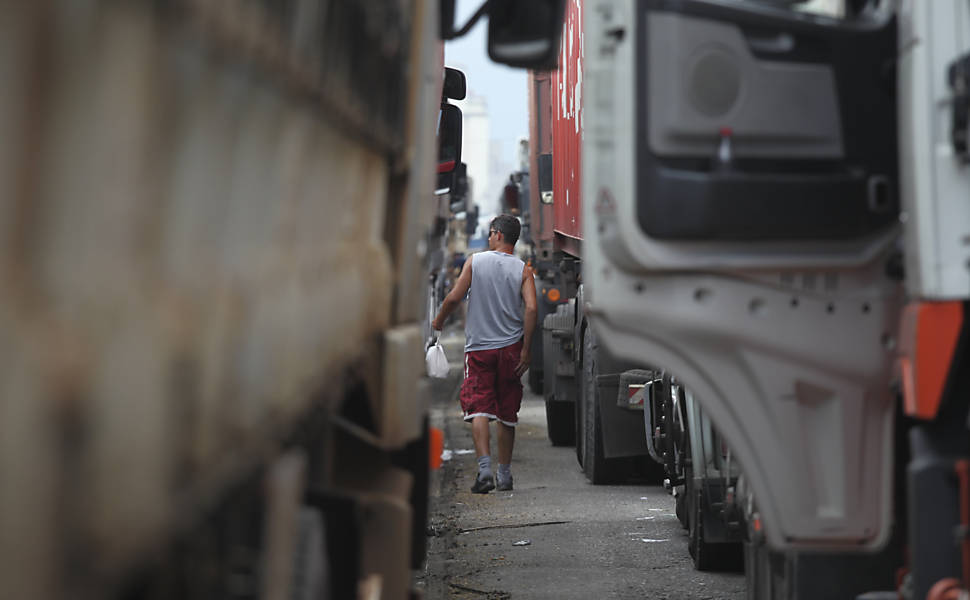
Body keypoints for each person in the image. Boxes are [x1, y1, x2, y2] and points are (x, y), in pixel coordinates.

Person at [431, 214, 537, 493]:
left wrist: (438, 321)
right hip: (511, 349)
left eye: (491, 233)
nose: (489, 238)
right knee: (506, 413)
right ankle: (504, 475)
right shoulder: (523, 270)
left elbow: (454, 297)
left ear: (498, 235)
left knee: (479, 406)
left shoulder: (475, 262)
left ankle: (484, 471)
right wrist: (526, 349)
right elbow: (531, 308)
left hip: (479, 349)